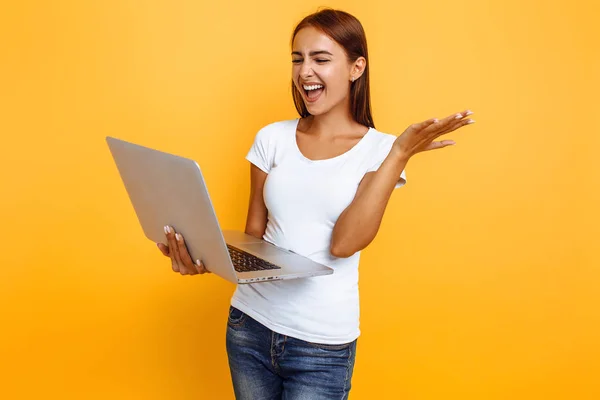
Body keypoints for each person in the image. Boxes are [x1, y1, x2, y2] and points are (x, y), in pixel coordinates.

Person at [157, 7, 475, 400]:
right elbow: (253, 238)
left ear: (356, 68)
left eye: (320, 59)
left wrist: (397, 157)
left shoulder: (381, 151)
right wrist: (201, 255)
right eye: (298, 58)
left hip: (320, 348)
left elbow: (344, 244)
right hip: (249, 327)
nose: (305, 71)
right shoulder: (271, 138)